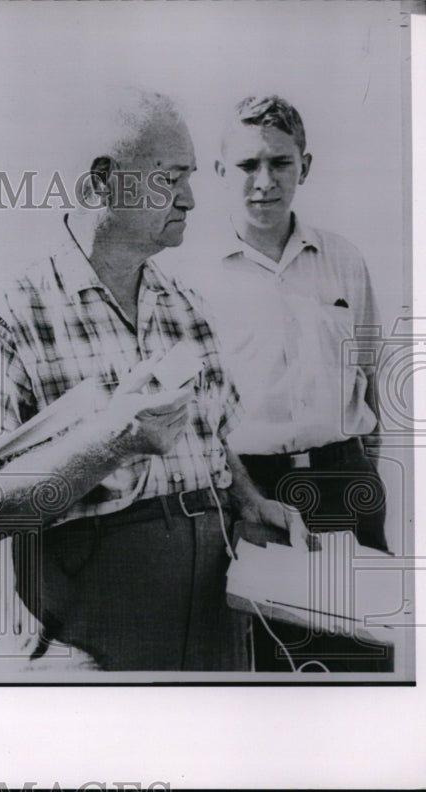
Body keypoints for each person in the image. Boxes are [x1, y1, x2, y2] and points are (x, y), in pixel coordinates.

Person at [0, 88, 308, 672]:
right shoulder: (13, 315)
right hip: (93, 636)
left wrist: (250, 500)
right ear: (103, 182)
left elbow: (214, 441)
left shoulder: (187, 307)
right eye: (172, 176)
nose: (192, 199)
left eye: (192, 176)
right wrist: (111, 443)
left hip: (215, 619)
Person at [193, 94, 391, 671]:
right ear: (219, 172)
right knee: (270, 665)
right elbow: (196, 412)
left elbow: (370, 376)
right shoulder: (193, 277)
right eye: (248, 165)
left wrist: (362, 471)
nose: (264, 181)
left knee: (366, 660)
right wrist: (242, 497)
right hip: (255, 492)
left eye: (280, 163)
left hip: (344, 482)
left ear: (305, 166)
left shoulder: (343, 260)